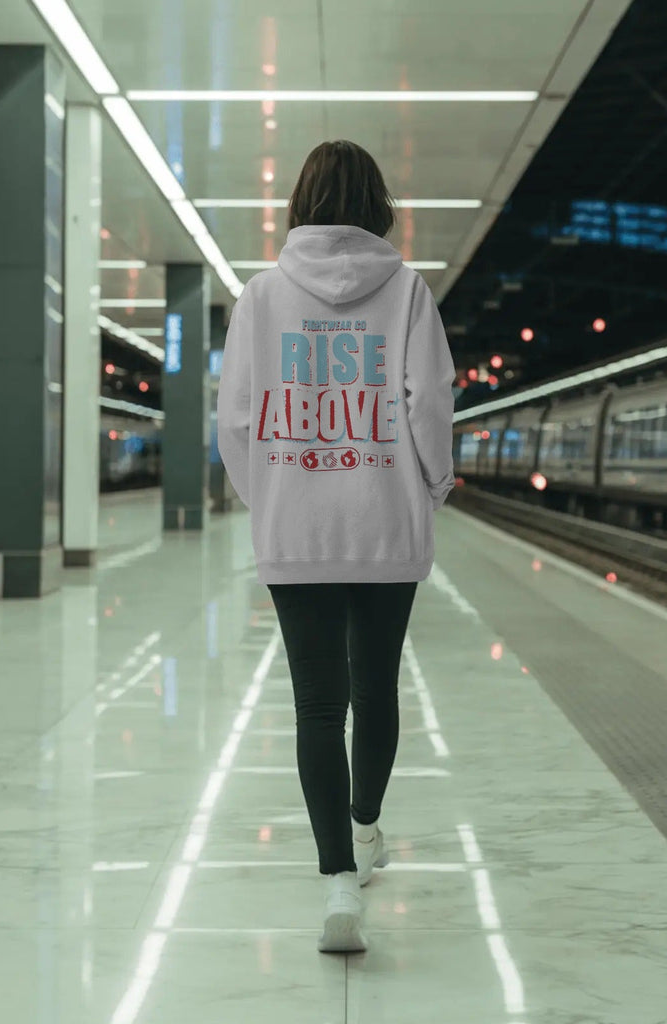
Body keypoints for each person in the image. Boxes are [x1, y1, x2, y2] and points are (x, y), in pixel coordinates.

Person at [217, 139, 455, 954]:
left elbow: (236, 418)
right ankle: (364, 827)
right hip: (386, 519)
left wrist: (271, 493)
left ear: (300, 202)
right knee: (376, 687)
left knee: (318, 706)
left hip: (297, 524)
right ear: (379, 205)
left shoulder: (260, 297)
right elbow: (429, 403)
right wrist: (432, 485)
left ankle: (337, 887)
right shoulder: (409, 291)